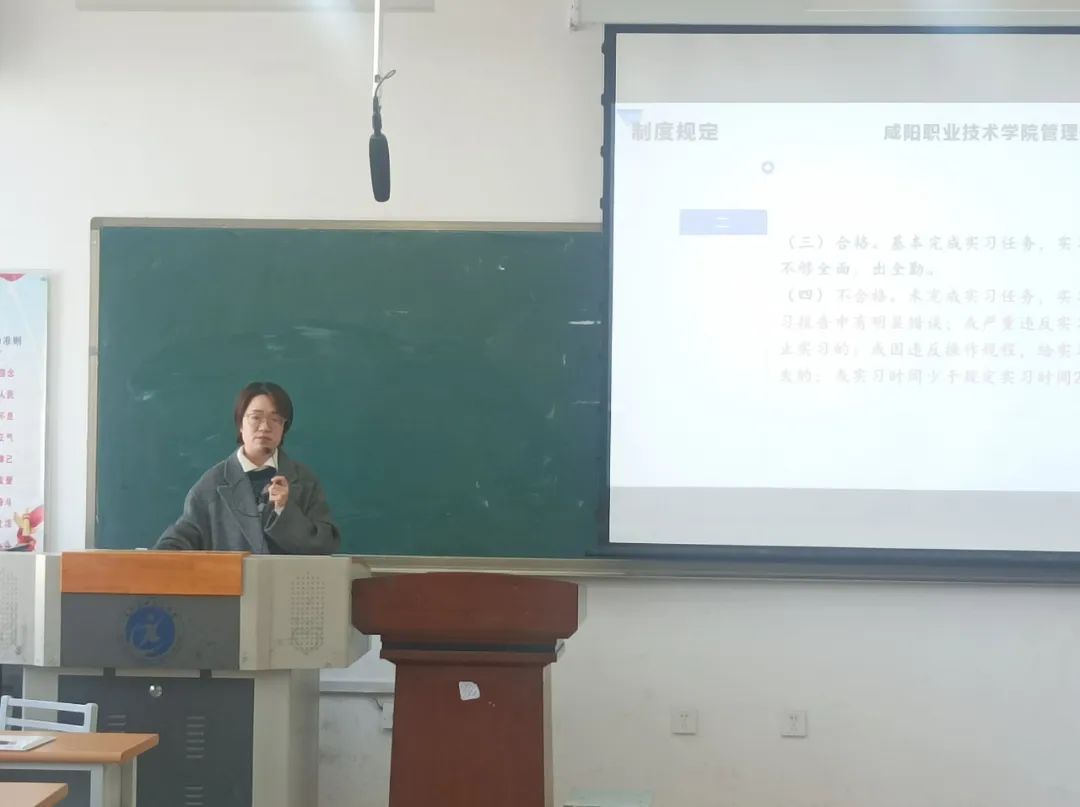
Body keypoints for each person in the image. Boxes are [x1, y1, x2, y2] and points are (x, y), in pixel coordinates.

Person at [154, 381, 339, 554]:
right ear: (240, 423)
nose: (265, 427)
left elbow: (325, 545)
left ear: (284, 428)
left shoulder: (305, 481)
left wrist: (284, 511)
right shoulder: (211, 485)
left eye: (275, 419)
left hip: (291, 579)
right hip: (230, 579)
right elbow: (182, 538)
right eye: (256, 417)